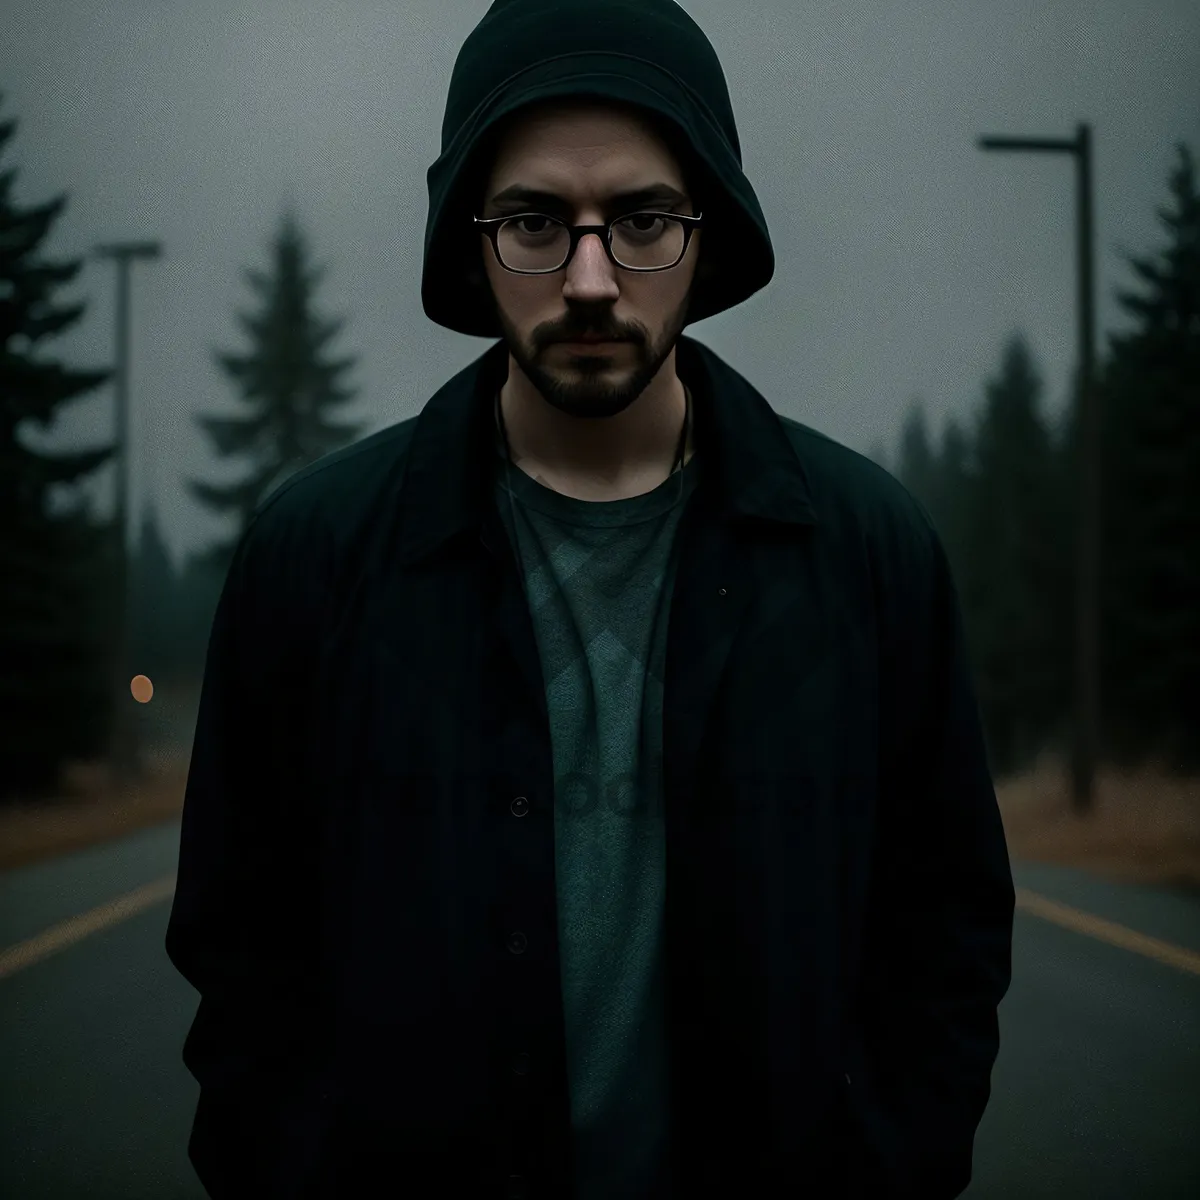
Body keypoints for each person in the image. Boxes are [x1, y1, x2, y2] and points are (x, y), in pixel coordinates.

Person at [164, 1, 1016, 1197]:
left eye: (643, 219)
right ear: (471, 241)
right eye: (532, 222)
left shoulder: (864, 554)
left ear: (707, 233)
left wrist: (886, 1161)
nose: (590, 277)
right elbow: (243, 951)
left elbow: (946, 931)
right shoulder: (318, 558)